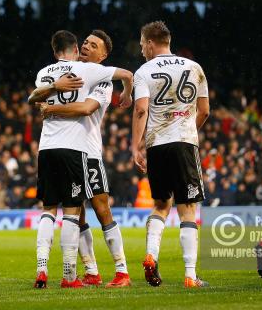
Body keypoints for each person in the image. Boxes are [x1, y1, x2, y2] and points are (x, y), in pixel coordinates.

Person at [29, 30, 133, 289]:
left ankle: (121, 271)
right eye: (85, 42)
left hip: (89, 152)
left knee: (101, 209)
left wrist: (51, 108)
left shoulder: (102, 80)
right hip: (71, 150)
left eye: (93, 45)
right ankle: (91, 271)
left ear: (103, 54)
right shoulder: (75, 71)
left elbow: (86, 108)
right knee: (78, 214)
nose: (86, 47)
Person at [131, 21, 210, 288]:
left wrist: (136, 145)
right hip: (184, 143)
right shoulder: (194, 67)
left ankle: (151, 256)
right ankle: (190, 275)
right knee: (187, 209)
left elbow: (141, 109)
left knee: (161, 204)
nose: (142, 50)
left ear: (151, 43)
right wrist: (187, 129)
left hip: (156, 145)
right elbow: (205, 110)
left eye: (143, 44)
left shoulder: (143, 71)